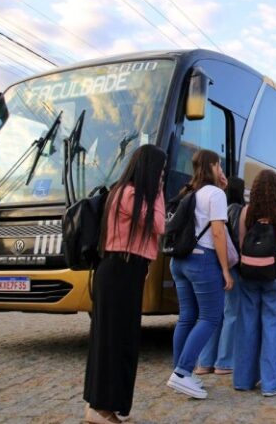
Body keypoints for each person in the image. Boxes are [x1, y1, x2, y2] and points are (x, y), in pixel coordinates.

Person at [83, 144, 166, 424]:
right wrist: (159, 191)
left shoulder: (125, 192)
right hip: (120, 270)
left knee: (117, 339)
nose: (162, 176)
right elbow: (159, 224)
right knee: (114, 340)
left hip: (123, 271)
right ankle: (99, 408)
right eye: (161, 171)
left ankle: (102, 405)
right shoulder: (130, 194)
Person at [166, 150, 234, 400]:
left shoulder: (188, 191)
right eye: (219, 166)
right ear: (214, 166)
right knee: (210, 317)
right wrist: (225, 269)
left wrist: (222, 190)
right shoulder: (214, 194)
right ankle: (183, 373)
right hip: (202, 260)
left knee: (187, 317)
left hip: (179, 261)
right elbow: (217, 233)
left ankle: (180, 370)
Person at [234, 169, 276, 397]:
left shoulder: (246, 211)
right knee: (273, 326)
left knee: (247, 325)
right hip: (275, 271)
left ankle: (243, 380)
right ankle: (270, 384)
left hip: (249, 273)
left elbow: (242, 243)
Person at [194, 176, 245, 376]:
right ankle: (224, 361)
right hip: (229, 264)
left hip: (210, 261)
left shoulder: (209, 205)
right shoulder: (237, 210)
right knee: (231, 312)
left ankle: (205, 361)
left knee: (212, 314)